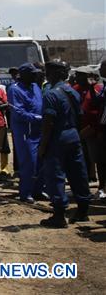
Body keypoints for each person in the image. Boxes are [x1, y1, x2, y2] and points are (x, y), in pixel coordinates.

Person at [39, 60, 90, 227]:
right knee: (78, 173)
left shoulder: (51, 94)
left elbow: (48, 122)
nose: (47, 75)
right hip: (73, 136)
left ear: (56, 74)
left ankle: (59, 215)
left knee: (55, 175)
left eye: (49, 72)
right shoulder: (71, 92)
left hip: (57, 139)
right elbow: (80, 116)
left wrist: (43, 146)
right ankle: (82, 211)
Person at [10, 63, 46, 202]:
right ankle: (26, 193)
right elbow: (18, 112)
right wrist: (38, 118)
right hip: (26, 132)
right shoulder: (14, 89)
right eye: (32, 73)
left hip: (39, 130)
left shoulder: (36, 86)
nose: (36, 75)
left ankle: (38, 190)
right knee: (29, 163)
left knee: (41, 162)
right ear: (23, 74)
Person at [73, 67, 105, 199]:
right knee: (84, 158)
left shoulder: (99, 88)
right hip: (79, 130)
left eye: (81, 76)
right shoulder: (74, 89)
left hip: (94, 130)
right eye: (77, 75)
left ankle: (102, 187)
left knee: (99, 160)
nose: (77, 78)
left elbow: (98, 107)